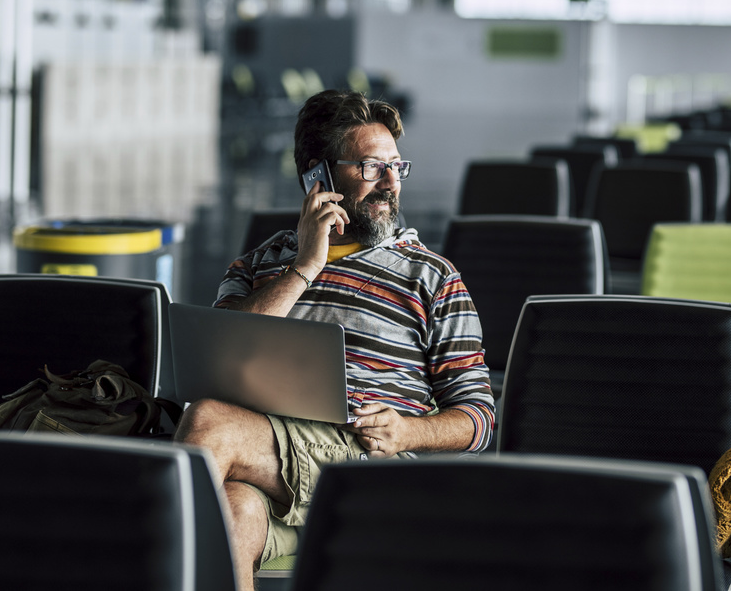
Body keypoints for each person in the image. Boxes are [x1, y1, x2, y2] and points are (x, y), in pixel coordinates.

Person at [175, 89, 496, 588]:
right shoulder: (260, 265)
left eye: (397, 166)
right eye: (371, 167)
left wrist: (408, 432)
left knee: (209, 423)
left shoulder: (431, 277)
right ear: (317, 177)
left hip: (366, 461)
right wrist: (304, 266)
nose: (391, 182)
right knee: (234, 510)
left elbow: (479, 419)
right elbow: (218, 358)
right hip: (272, 462)